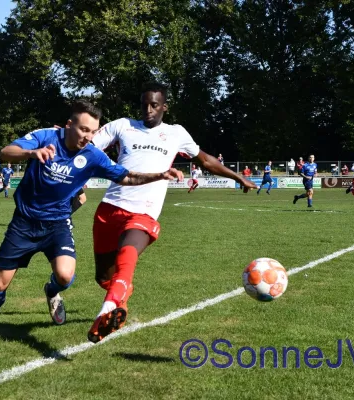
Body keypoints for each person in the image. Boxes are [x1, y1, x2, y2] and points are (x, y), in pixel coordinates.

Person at [0, 100, 183, 344]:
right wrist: (32, 153)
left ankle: (52, 291)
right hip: (24, 223)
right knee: (0, 283)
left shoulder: (93, 155)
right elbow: (5, 152)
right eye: (84, 130)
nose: (88, 136)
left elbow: (125, 176)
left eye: (93, 131)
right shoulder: (45, 136)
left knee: (64, 275)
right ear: (69, 124)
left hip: (58, 224)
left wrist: (159, 175)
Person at [87, 82, 256, 343]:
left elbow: (205, 160)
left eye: (154, 105)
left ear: (164, 107)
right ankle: (119, 302)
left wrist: (237, 177)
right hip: (110, 208)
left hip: (143, 212)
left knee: (127, 255)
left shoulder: (176, 133)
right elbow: (89, 150)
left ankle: (107, 308)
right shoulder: (122, 125)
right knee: (104, 276)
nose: (148, 110)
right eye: (144, 104)